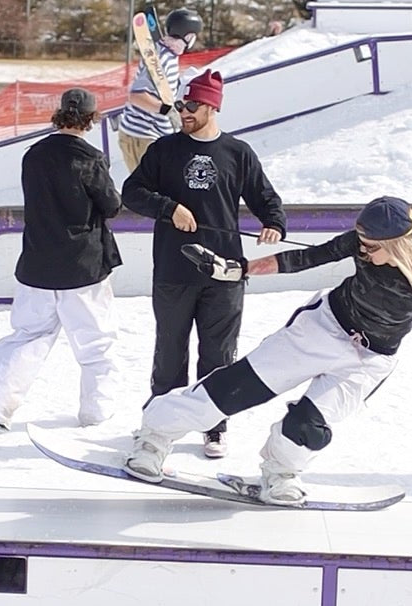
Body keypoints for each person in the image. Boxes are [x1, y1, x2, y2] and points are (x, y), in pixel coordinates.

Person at [123, 196, 412, 505]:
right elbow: (303, 258)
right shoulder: (358, 244)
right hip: (324, 328)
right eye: (361, 241)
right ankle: (154, 435)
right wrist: (239, 270)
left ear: (400, 245)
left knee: (310, 426)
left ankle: (280, 474)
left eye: (370, 245)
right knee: (233, 392)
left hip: (369, 361)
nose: (361, 249)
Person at [122, 69, 287, 458]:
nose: (183, 112)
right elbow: (132, 193)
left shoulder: (238, 153)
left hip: (225, 272)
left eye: (191, 105)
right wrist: (170, 208)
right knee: (169, 353)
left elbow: (266, 197)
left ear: (212, 107)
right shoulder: (164, 150)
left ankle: (214, 426)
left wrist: (274, 224)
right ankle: (158, 425)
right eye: (180, 105)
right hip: (173, 271)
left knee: (218, 354)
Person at [0, 88, 123, 431]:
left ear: (60, 113)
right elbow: (112, 206)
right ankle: (96, 413)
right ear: (91, 119)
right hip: (83, 266)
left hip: (38, 264)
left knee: (27, 337)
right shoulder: (91, 158)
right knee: (96, 344)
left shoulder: (33, 156)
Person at [118, 7, 203, 171]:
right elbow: (137, 95)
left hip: (151, 137)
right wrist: (166, 110)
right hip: (142, 137)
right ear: (189, 36)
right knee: (150, 194)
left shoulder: (164, 52)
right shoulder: (162, 59)